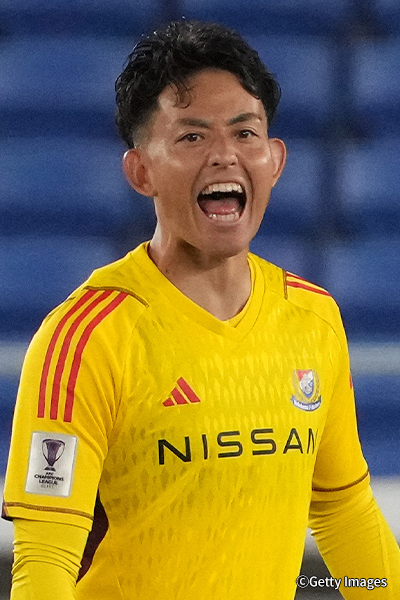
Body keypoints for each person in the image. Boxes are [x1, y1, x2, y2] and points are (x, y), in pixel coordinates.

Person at [2, 20, 400, 600]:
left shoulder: (313, 318)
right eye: (192, 137)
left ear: (275, 160)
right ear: (141, 171)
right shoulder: (86, 338)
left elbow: (343, 512)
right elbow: (45, 560)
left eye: (245, 133)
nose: (224, 156)